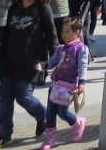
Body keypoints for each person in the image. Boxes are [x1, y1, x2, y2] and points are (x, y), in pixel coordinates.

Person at [0, 0, 58, 149]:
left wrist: (55, 57)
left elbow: (51, 34)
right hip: (10, 60)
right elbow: (9, 32)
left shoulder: (43, 8)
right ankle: (5, 136)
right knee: (5, 99)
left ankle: (42, 116)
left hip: (34, 61)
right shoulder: (14, 8)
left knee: (24, 97)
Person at [39, 17, 88, 149]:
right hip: (55, 86)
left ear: (77, 32)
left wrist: (82, 82)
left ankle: (78, 123)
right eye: (63, 31)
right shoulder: (60, 48)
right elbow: (52, 62)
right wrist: (43, 65)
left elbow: (83, 66)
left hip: (68, 87)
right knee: (50, 113)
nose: (64, 35)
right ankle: (49, 139)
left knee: (62, 113)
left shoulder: (80, 48)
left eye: (67, 31)